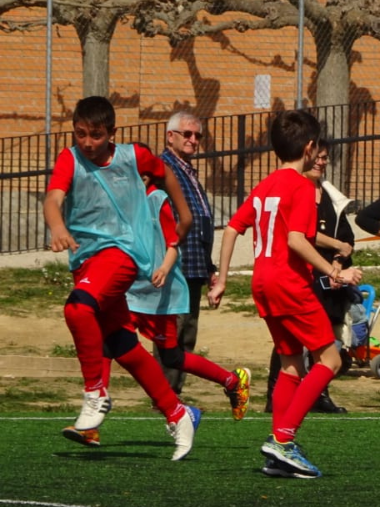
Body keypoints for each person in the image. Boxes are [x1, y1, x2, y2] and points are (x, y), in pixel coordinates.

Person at [43, 96, 201, 460]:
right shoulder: (70, 158)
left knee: (77, 310)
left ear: (112, 133)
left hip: (123, 253)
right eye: (80, 134)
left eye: (95, 135)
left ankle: (95, 393)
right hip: (86, 260)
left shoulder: (134, 156)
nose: (87, 142)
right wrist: (57, 227)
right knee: (124, 346)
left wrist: (184, 215)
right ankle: (178, 415)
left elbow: (166, 173)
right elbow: (52, 198)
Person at [208, 111, 363, 479]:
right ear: (310, 148)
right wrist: (334, 272)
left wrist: (223, 279)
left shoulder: (265, 185)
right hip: (288, 283)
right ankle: (283, 439)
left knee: (292, 364)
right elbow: (296, 241)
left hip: (262, 282)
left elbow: (231, 229)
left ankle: (279, 452)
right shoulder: (302, 188)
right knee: (331, 360)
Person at [62, 162, 252, 447]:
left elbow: (173, 243)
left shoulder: (157, 200)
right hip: (131, 289)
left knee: (172, 357)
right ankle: (94, 421)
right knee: (108, 343)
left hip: (158, 292)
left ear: (145, 177)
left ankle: (230, 382)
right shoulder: (124, 202)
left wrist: (163, 267)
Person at [264, 139, 354, 414]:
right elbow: (300, 237)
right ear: (306, 154)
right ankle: (278, 404)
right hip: (296, 276)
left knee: (322, 341)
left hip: (325, 279)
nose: (321, 162)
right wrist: (334, 252)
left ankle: (316, 396)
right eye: (318, 156)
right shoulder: (294, 188)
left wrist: (339, 260)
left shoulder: (329, 197)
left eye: (325, 158)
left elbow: (346, 238)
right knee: (292, 347)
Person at [157, 110, 217, 394]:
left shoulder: (188, 171)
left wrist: (210, 266)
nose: (194, 140)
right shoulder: (163, 168)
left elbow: (200, 221)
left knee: (187, 335)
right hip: (174, 265)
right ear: (171, 137)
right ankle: (164, 395)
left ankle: (174, 394)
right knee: (171, 333)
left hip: (194, 266)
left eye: (198, 136)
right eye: (188, 134)